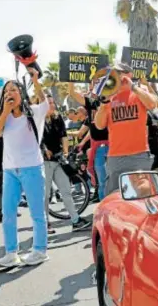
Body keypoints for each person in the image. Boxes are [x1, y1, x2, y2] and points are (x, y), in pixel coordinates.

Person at [0, 68, 50, 267]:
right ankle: (11, 253)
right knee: (8, 214)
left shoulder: (33, 113)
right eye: (6, 91)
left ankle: (40, 250)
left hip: (32, 168)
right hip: (10, 171)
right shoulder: (3, 117)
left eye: (13, 89)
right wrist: (5, 111)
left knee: (36, 213)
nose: (9, 93)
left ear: (21, 93)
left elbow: (45, 104)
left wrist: (35, 80)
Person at [95, 62, 158, 196]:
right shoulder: (109, 94)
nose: (115, 75)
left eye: (119, 72)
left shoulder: (139, 92)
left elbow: (152, 104)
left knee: (144, 194)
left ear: (129, 74)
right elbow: (99, 125)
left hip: (139, 154)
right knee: (116, 196)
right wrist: (104, 103)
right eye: (114, 73)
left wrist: (133, 87)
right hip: (116, 156)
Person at [42, 95, 91, 233]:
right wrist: (45, 149)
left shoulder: (57, 119)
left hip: (58, 160)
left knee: (66, 191)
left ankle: (75, 220)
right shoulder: (38, 120)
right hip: (44, 162)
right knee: (45, 195)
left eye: (52, 102)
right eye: (48, 103)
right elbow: (36, 139)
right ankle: (45, 224)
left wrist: (65, 152)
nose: (51, 105)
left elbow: (64, 136)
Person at [68, 80, 109, 201]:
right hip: (98, 148)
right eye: (92, 85)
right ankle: (103, 208)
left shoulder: (111, 101)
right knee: (102, 180)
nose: (92, 88)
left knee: (113, 180)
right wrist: (71, 79)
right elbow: (72, 93)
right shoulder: (91, 103)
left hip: (113, 146)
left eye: (96, 85)